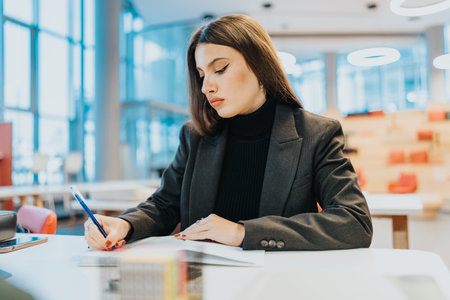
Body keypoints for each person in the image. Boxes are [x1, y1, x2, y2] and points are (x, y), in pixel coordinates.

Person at [84, 14, 372, 251]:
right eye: (201, 75)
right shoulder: (195, 136)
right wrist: (125, 224)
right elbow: (164, 205)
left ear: (260, 67)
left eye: (219, 69)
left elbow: (354, 222)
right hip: (202, 284)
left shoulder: (315, 134)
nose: (206, 86)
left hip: (277, 284)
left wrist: (243, 232)